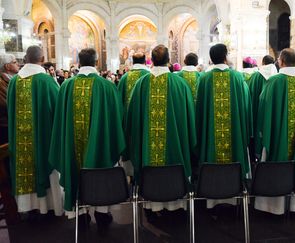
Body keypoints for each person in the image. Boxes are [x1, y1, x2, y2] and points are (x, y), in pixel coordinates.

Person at [49, 48, 125, 229]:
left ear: (78, 61)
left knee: (75, 168)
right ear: (96, 62)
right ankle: (101, 214)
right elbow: (117, 118)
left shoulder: (66, 86)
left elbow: (59, 121)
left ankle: (80, 214)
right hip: (100, 146)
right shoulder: (106, 86)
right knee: (101, 166)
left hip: (72, 148)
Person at [126, 45, 196, 211]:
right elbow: (190, 119)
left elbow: (132, 119)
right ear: (168, 61)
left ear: (152, 61)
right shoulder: (181, 84)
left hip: (147, 153)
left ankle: (152, 204)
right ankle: (175, 203)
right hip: (175, 149)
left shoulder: (141, 84)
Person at [254, 48, 295, 215]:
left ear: (281, 61)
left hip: (278, 137)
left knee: (277, 160)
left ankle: (276, 207)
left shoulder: (274, 81)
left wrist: (262, 131)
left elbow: (263, 109)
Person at [7, 46, 63, 217]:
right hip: (44, 139)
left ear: (26, 58)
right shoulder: (46, 81)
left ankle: (27, 207)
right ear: (43, 58)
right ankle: (48, 206)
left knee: (25, 165)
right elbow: (58, 111)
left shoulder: (15, 81)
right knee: (45, 164)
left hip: (20, 141)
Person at [196, 43, 252, 179]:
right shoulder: (237, 77)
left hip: (211, 135)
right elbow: (245, 107)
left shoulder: (204, 79)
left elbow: (200, 111)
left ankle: (211, 192)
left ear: (211, 59)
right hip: (234, 133)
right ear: (226, 57)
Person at [248, 55, 277, 159]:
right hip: (275, 117)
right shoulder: (278, 77)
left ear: (263, 63)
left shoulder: (256, 77)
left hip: (258, 116)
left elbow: (250, 96)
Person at [0, 54, 19, 144]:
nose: (18, 64)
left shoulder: (12, 80)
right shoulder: (1, 83)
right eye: (15, 62)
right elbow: (6, 104)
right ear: (7, 66)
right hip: (5, 126)